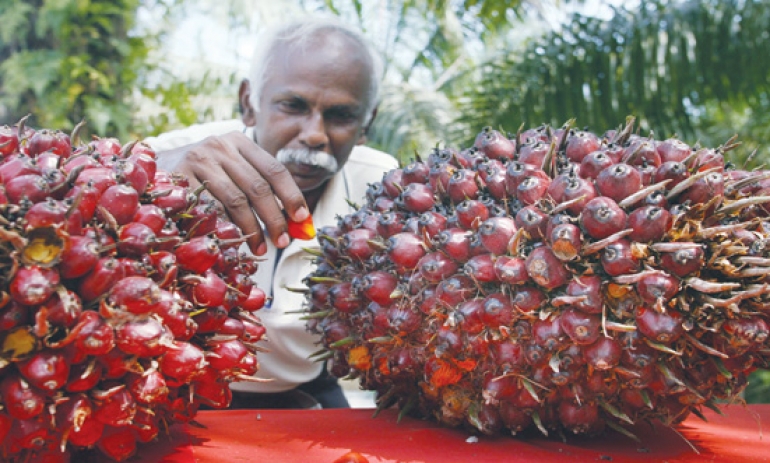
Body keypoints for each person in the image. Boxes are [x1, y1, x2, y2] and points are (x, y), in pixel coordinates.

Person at [146, 16, 399, 409]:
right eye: (293, 106)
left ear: (367, 123)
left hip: (306, 392)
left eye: (341, 116)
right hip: (183, 388)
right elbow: (79, 180)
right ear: (249, 103)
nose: (314, 134)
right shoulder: (185, 157)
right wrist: (153, 176)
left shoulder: (384, 188)